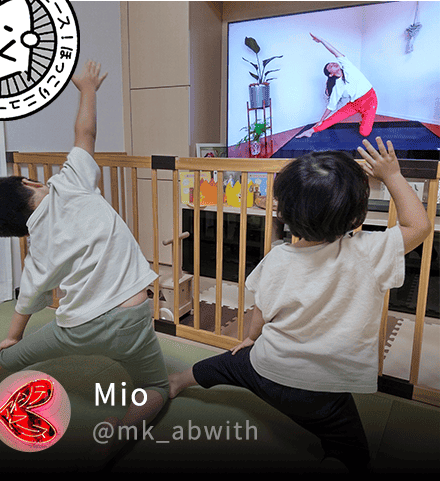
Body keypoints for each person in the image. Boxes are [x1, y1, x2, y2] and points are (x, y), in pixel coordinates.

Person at [168, 139, 431, 473]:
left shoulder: (277, 258)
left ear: (284, 212)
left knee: (225, 364)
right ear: (356, 216)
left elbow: (260, 311)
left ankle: (177, 381)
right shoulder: (369, 252)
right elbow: (419, 225)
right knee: (350, 453)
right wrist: (392, 175)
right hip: (323, 392)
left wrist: (250, 339)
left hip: (266, 367)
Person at [0, 60, 169, 460]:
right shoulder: (71, 183)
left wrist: (13, 337)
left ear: (20, 231)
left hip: (79, 328)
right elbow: (85, 132)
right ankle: (123, 434)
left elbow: (27, 299)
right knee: (158, 387)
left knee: (17, 355)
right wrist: (88, 88)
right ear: (30, 181)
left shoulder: (38, 249)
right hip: (134, 315)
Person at [297, 33, 378, 139]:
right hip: (355, 103)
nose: (332, 64)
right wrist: (321, 120)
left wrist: (322, 40)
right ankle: (311, 131)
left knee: (364, 132)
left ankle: (364, 119)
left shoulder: (349, 68)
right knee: (335, 117)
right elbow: (331, 106)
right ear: (331, 74)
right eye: (330, 67)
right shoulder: (338, 86)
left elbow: (335, 53)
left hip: (370, 100)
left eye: (332, 63)